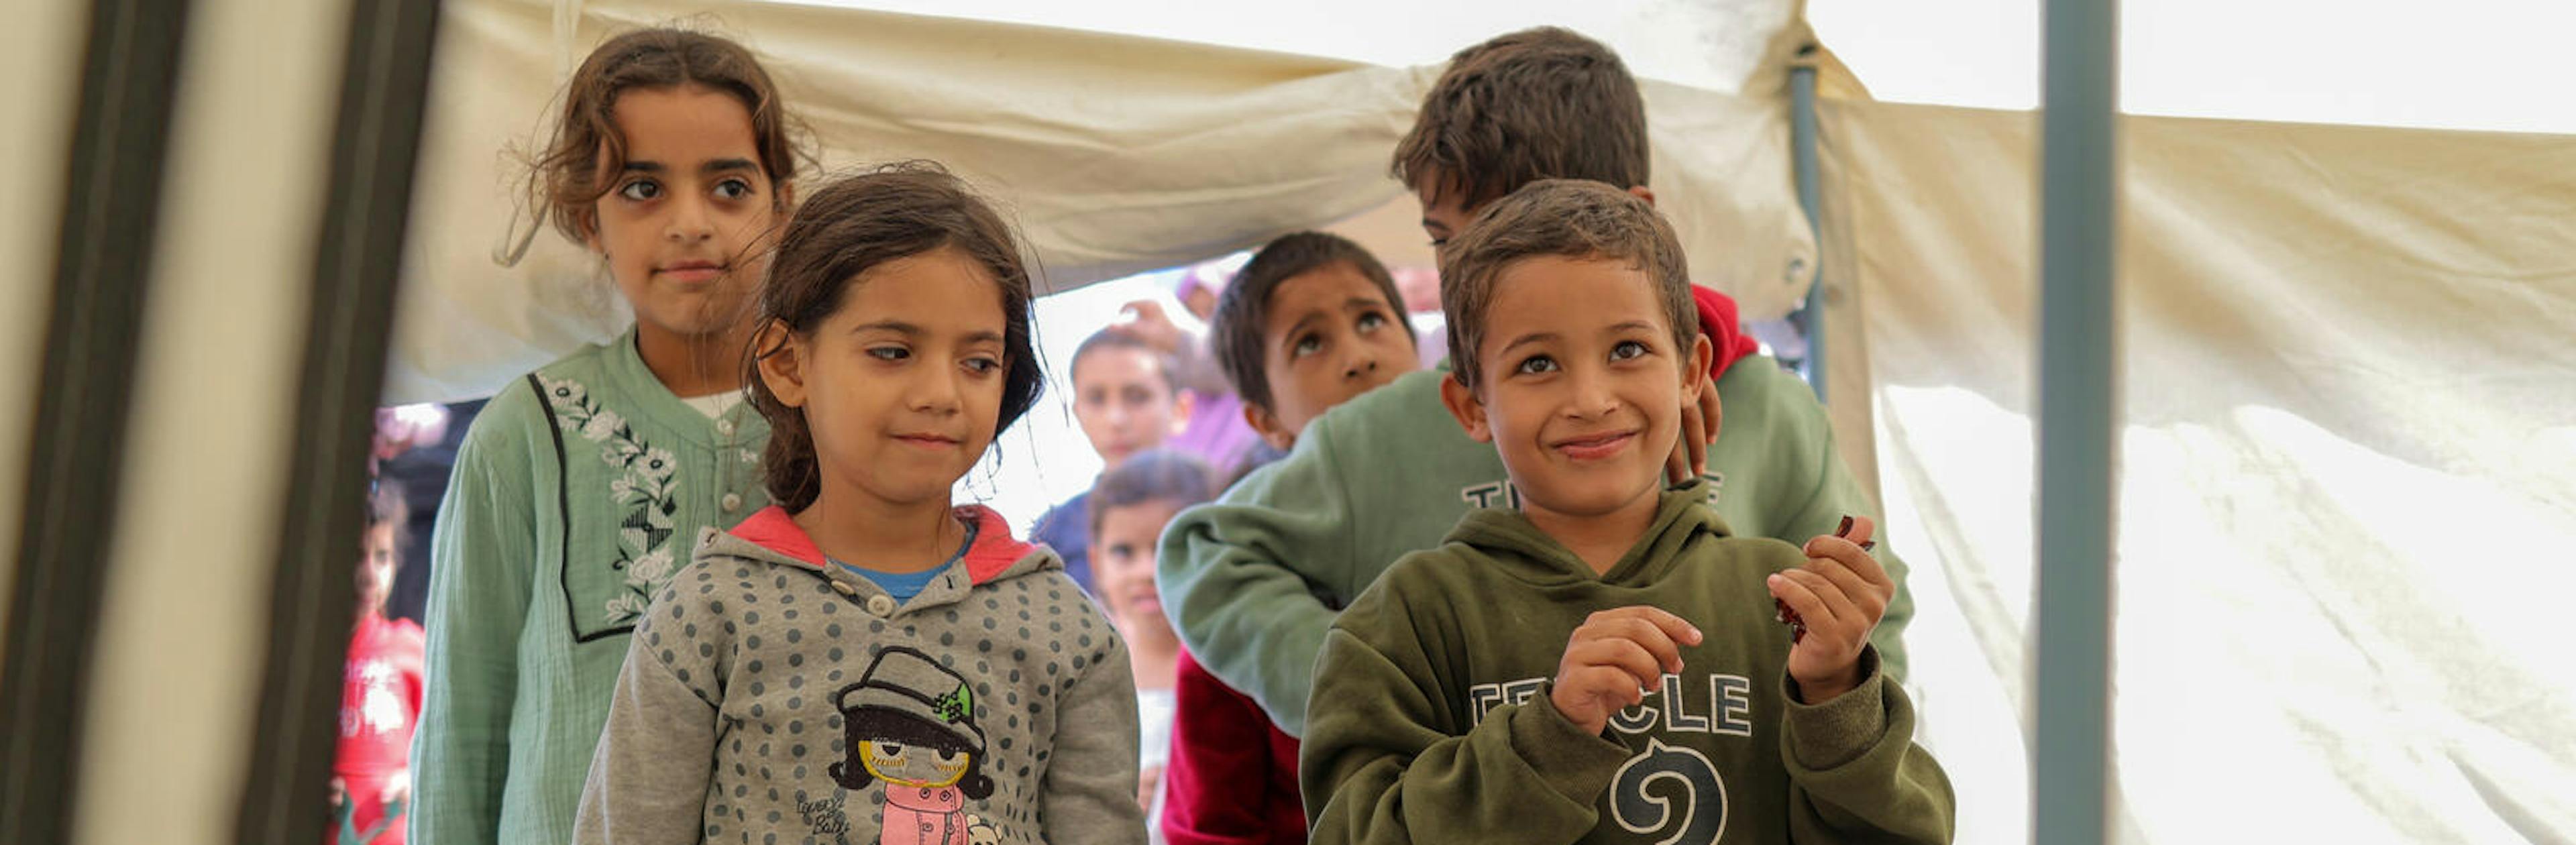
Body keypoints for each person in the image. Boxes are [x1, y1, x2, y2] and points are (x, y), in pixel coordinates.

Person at [1158, 26, 1911, 742]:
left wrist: (1844, 755)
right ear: (1469, 409)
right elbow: (1206, 557)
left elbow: (1869, 605)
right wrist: (1362, 685)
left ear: (1635, 216)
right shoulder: (1386, 430)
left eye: (1516, 232)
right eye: (1447, 243)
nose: (1469, 275)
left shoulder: (1760, 406)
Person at [1301, 179, 1953, 844]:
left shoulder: (1776, 604)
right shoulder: (1405, 621)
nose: (1590, 398)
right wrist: (1549, 738)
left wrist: (1835, 695)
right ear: (1471, 407)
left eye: (1627, 350)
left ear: (1692, 370)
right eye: (1537, 363)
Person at [574, 163, 1146, 844]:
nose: (941, 392)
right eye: (893, 351)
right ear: (787, 364)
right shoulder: (707, 617)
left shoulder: (1068, 634)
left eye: (978, 362)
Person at [411, 27, 808, 845]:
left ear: (784, 203)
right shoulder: (525, 434)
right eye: (642, 189)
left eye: (729, 187)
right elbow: (460, 731)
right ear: (585, 219)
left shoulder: (844, 423)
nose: (691, 223)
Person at [1159, 231, 1420, 845]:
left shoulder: (1509, 503)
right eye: (1310, 343)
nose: (1359, 357)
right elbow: (1207, 831)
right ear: (1266, 421)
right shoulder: (1232, 605)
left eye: (1373, 320)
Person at [1083, 449, 1220, 831]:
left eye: (1166, 548)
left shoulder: (1230, 667)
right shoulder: (1081, 666)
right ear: (1096, 563)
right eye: (1124, 552)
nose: (1147, 570)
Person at [1030, 329, 1190, 592]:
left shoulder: (1219, 505)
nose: (1116, 419)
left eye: (1137, 396)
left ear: (1180, 409)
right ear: (1077, 413)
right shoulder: (1054, 534)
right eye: (1096, 399)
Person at [333, 484, 427, 845]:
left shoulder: (409, 646)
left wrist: (410, 778)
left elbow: (434, 745)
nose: (370, 574)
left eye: (382, 556)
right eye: (357, 555)